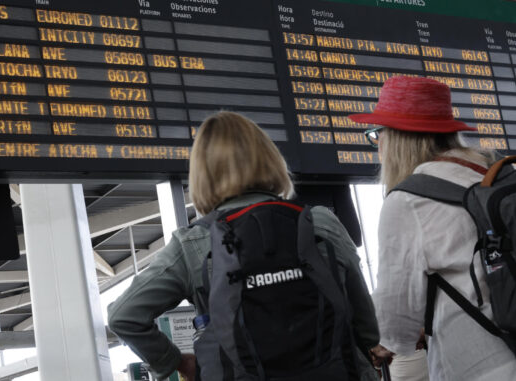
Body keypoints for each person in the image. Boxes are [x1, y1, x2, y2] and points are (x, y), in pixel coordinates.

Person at [107, 111, 379, 380]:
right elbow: (366, 324)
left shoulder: (193, 244)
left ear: (202, 175)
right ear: (270, 159)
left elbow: (123, 315)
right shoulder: (319, 222)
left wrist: (176, 362)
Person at [349, 76, 516, 380]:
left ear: (396, 139)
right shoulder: (497, 173)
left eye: (378, 135)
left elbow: (397, 324)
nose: (378, 145)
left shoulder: (408, 200)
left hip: (481, 365)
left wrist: (381, 343)